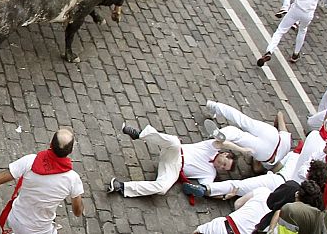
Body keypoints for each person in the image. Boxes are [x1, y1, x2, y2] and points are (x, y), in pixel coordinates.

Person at [0, 129, 84, 234]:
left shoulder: (30, 161)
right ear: (70, 150)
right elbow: (78, 212)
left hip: (16, 219)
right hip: (41, 230)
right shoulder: (73, 179)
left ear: (51, 144)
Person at [108, 123, 236, 198]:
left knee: (163, 188)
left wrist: (224, 196)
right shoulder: (211, 147)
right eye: (224, 163)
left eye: (224, 168)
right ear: (224, 153)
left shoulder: (210, 174)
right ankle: (139, 134)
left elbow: (208, 190)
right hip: (174, 152)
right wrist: (244, 150)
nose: (222, 167)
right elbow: (223, 143)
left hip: (173, 170)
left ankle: (122, 187)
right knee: (175, 142)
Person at [205, 100, 293, 171]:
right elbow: (256, 168)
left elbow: (279, 115)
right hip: (267, 154)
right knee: (239, 136)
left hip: (274, 135)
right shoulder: (276, 166)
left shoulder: (288, 144)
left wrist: (276, 127)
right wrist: (255, 158)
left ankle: (213, 106)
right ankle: (222, 134)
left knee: (242, 119)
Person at [194, 187, 273, 234]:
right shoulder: (278, 221)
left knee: (198, 231)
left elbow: (238, 204)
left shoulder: (264, 191)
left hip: (222, 225)